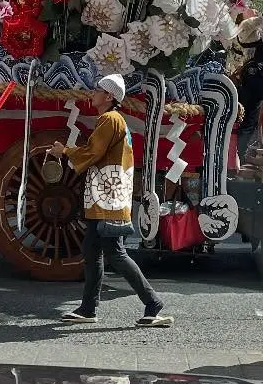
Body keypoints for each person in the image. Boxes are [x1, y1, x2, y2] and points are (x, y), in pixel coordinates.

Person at [50, 74, 172, 327]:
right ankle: (88, 309)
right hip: (105, 197)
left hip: (108, 198)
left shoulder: (110, 119)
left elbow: (93, 152)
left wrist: (66, 151)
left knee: (115, 253)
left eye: (97, 90)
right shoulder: (114, 120)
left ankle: (153, 303)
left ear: (109, 96)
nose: (92, 93)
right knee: (92, 250)